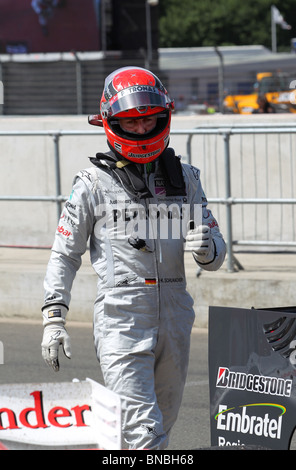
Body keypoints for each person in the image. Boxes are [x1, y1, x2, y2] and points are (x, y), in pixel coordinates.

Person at [41, 66, 226, 450]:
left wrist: (210, 250)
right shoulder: (92, 184)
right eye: (131, 123)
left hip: (176, 316)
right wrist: (54, 316)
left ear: (165, 117)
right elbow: (65, 253)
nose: (141, 130)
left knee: (156, 429)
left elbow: (217, 250)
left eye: (149, 121)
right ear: (110, 122)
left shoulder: (186, 178)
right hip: (122, 320)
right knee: (146, 431)